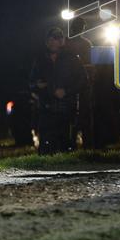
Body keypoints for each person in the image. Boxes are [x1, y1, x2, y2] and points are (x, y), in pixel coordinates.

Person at [29, 26, 85, 154]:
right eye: (51, 39)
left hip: (67, 108)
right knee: (46, 146)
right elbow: (31, 82)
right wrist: (38, 86)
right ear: (47, 41)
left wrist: (66, 91)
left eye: (58, 38)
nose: (54, 42)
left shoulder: (72, 59)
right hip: (46, 108)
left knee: (67, 144)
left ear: (62, 41)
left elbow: (82, 81)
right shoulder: (40, 60)